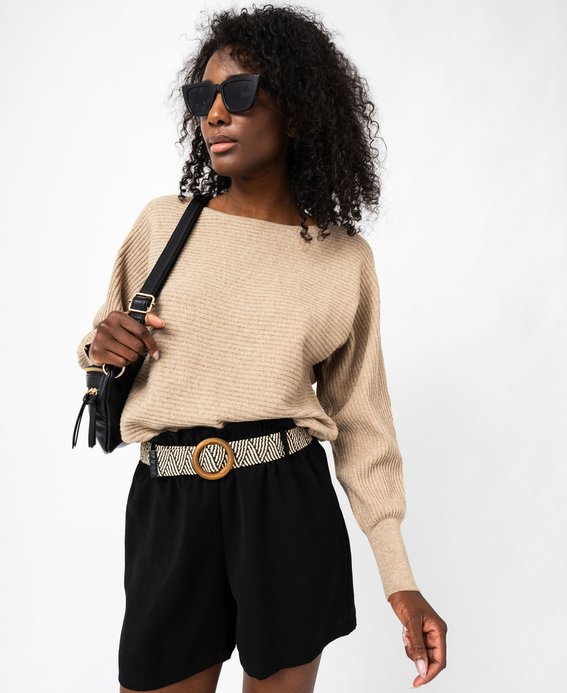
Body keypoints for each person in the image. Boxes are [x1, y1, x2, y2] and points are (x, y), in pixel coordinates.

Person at [76, 5, 447, 692]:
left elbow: (362, 423)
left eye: (239, 94)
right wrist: (102, 346)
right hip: (169, 503)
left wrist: (400, 581)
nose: (215, 114)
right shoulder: (162, 225)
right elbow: (105, 344)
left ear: (297, 112)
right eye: (203, 98)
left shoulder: (342, 259)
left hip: (286, 505)